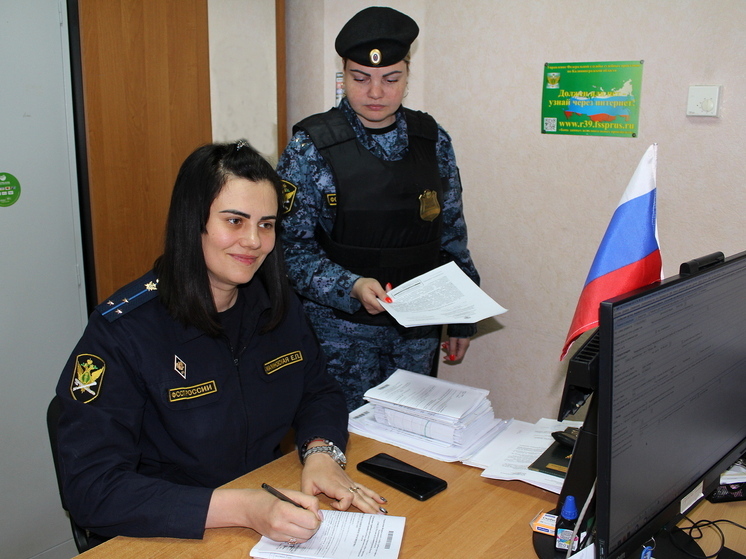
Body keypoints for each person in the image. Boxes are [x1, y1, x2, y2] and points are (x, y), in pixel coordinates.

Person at [53, 141, 386, 543]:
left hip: (262, 513)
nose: (254, 241)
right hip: (167, 529)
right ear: (192, 222)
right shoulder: (124, 330)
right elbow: (91, 487)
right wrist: (242, 508)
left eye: (266, 224)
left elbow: (318, 390)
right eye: (234, 221)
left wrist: (320, 451)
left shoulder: (276, 304)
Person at [277, 6, 480, 411]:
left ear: (407, 75)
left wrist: (462, 315)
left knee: (411, 437)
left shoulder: (432, 140)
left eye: (391, 79)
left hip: (416, 334)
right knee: (340, 437)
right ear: (343, 75)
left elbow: (450, 236)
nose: (375, 92)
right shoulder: (310, 147)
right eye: (360, 78)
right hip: (338, 336)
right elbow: (290, 251)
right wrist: (350, 286)